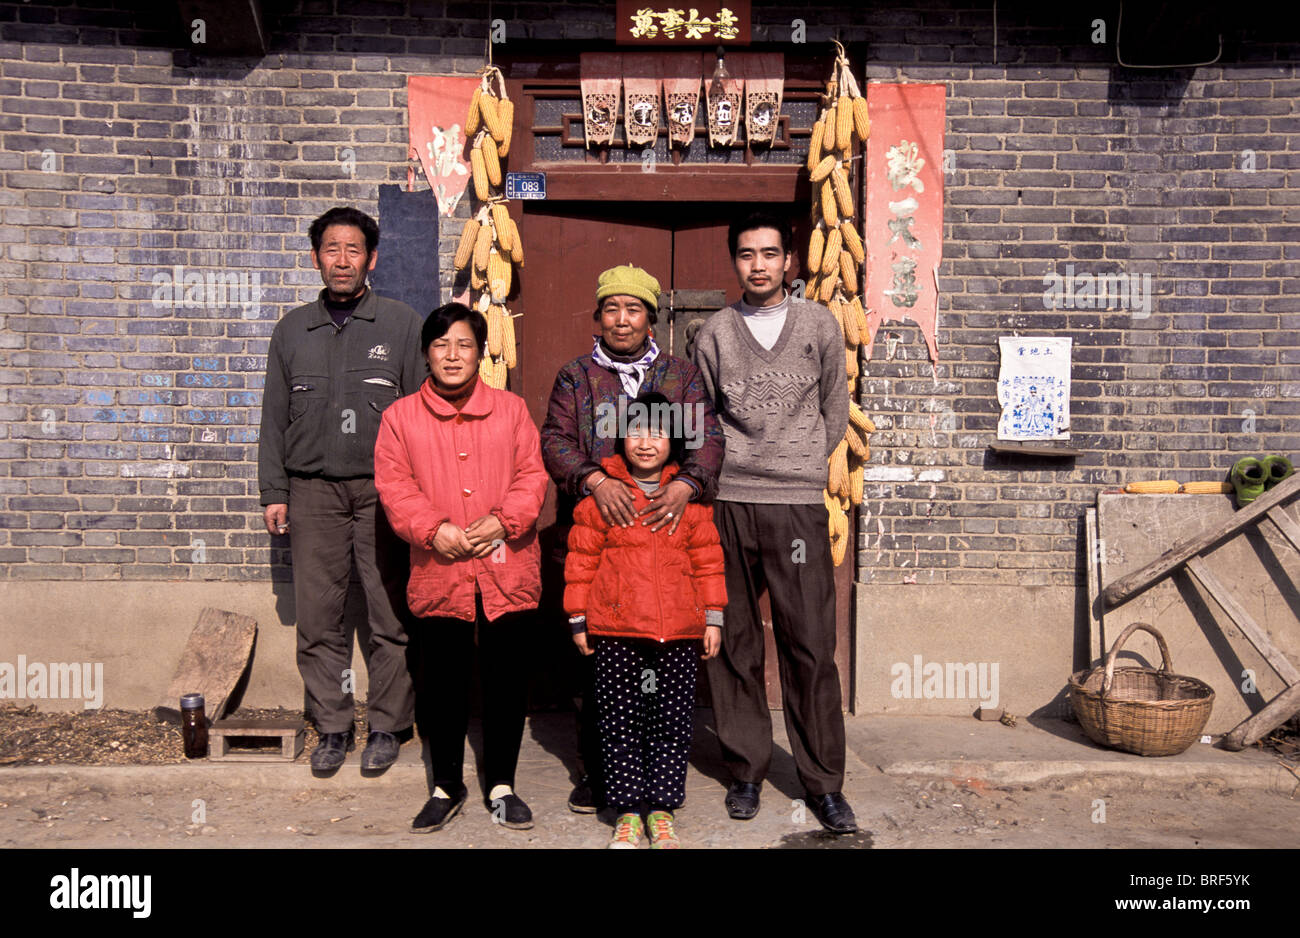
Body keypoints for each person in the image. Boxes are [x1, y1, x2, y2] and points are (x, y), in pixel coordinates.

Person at [691, 211, 858, 834]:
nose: (757, 265)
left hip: (796, 507)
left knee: (810, 644)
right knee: (734, 641)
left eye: (769, 254)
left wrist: (799, 465)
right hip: (729, 504)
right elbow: (705, 420)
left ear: (790, 260)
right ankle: (745, 770)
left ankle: (823, 782)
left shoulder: (819, 325)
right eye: (745, 254)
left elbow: (834, 410)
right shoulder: (713, 335)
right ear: (734, 262)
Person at [541, 264, 724, 815]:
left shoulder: (679, 376)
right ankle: (597, 773)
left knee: (660, 673)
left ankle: (655, 777)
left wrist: (688, 485)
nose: (622, 321)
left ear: (651, 317)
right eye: (612, 309)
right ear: (598, 317)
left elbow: (707, 438)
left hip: (666, 532)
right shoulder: (576, 377)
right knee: (600, 663)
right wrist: (595, 480)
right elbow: (554, 440)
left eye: (634, 309)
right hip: (601, 537)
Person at [258, 206, 425, 773]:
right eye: (332, 249)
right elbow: (273, 419)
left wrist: (421, 495)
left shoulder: (401, 325)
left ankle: (387, 724)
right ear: (316, 258)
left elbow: (422, 414)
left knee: (388, 614)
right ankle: (331, 726)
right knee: (318, 617)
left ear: (371, 259)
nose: (343, 260)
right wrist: (273, 491)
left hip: (384, 494)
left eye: (354, 250)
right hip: (312, 495)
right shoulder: (291, 331)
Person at [373, 302, 548, 833]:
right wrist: (432, 529)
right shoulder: (400, 418)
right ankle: (446, 784)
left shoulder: (511, 410)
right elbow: (395, 486)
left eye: (464, 345)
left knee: (504, 680)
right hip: (440, 569)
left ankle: (502, 785)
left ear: (480, 353)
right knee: (441, 682)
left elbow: (532, 476)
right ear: (426, 353)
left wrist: (504, 521)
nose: (452, 355)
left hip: (506, 565)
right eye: (441, 345)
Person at [564, 391, 726, 849]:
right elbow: (581, 561)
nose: (646, 442)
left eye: (658, 431)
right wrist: (578, 618)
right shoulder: (603, 499)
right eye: (636, 431)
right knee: (619, 723)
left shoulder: (689, 503)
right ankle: (628, 813)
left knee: (671, 724)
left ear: (674, 441)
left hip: (677, 634)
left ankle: (661, 809)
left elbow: (708, 563)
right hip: (617, 633)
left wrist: (712, 617)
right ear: (621, 439)